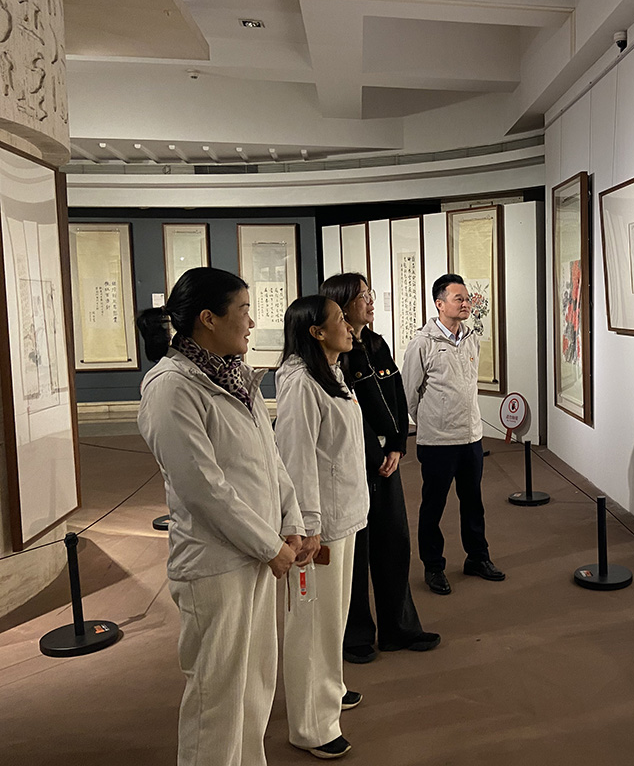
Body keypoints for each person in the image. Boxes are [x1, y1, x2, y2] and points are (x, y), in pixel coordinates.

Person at [136, 267, 305, 766]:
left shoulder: (235, 375)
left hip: (257, 555)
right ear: (208, 319)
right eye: (244, 311)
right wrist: (270, 546)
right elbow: (203, 489)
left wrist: (291, 521)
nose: (251, 323)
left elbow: (270, 459)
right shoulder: (171, 387)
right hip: (215, 566)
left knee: (254, 687)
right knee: (217, 700)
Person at [320, 273, 440, 664]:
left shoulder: (376, 344)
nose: (370, 301)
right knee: (355, 552)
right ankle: (355, 634)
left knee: (394, 543)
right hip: (354, 466)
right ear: (341, 304)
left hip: (387, 463)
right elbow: (348, 416)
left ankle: (398, 628)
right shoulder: (333, 355)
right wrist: (378, 452)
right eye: (362, 296)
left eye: (370, 293)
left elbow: (396, 399)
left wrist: (399, 446)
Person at [274, 295, 371, 760]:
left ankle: (330, 689)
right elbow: (297, 459)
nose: (349, 326)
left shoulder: (330, 373)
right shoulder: (299, 383)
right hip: (321, 525)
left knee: (334, 618)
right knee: (313, 624)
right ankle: (312, 724)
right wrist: (307, 525)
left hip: (342, 514)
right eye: (339, 320)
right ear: (316, 331)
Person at [402, 273, 505, 595]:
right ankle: (433, 566)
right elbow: (409, 393)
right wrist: (430, 421)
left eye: (467, 298)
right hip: (437, 441)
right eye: (459, 298)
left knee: (473, 502)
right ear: (440, 304)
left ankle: (478, 557)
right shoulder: (423, 343)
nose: (466, 304)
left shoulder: (471, 337)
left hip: (471, 437)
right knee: (433, 505)